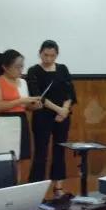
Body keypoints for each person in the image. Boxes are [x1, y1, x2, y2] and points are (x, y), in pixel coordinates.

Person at [26, 40, 77, 196]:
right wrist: (59, 110)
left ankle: (58, 187)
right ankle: (36, 189)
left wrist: (65, 110)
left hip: (63, 116)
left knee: (60, 150)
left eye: (52, 56)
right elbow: (38, 96)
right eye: (45, 55)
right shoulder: (33, 71)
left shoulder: (62, 69)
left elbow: (70, 92)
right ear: (40, 53)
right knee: (41, 152)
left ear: (57, 55)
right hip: (42, 116)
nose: (48, 59)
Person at [0, 49, 42, 181]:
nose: (20, 70)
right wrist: (21, 100)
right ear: (5, 67)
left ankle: (16, 186)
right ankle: (4, 187)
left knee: (19, 159)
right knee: (5, 159)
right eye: (17, 67)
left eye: (22, 66)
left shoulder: (23, 82)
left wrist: (34, 106)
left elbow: (26, 106)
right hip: (5, 122)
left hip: (21, 120)